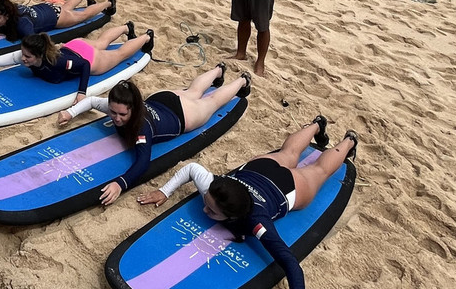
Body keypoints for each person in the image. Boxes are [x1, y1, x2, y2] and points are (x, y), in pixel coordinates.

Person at [136, 118, 359, 289]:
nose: (204, 209)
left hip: (285, 187)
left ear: (233, 216)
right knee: (289, 153)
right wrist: (164, 191)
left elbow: (289, 262)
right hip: (258, 170)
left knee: (317, 170)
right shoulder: (214, 190)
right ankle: (318, 126)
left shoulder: (257, 222)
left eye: (211, 211)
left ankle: (348, 140)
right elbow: (192, 168)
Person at [56, 63, 253, 206]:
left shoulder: (142, 128)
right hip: (163, 99)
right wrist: (70, 113)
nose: (116, 118)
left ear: (134, 109)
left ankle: (242, 81)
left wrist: (120, 184)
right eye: (113, 112)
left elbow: (142, 162)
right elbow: (91, 101)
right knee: (193, 91)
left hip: (183, 115)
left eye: (122, 114)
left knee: (213, 101)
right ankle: (218, 70)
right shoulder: (116, 107)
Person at [0, 24, 156, 109]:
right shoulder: (25, 55)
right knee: (101, 42)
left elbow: (83, 65)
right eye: (23, 54)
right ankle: (126, 27)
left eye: (28, 57)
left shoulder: (58, 62)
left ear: (38, 55)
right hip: (73, 45)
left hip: (87, 58)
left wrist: (81, 93)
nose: (23, 59)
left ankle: (147, 36)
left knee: (117, 54)